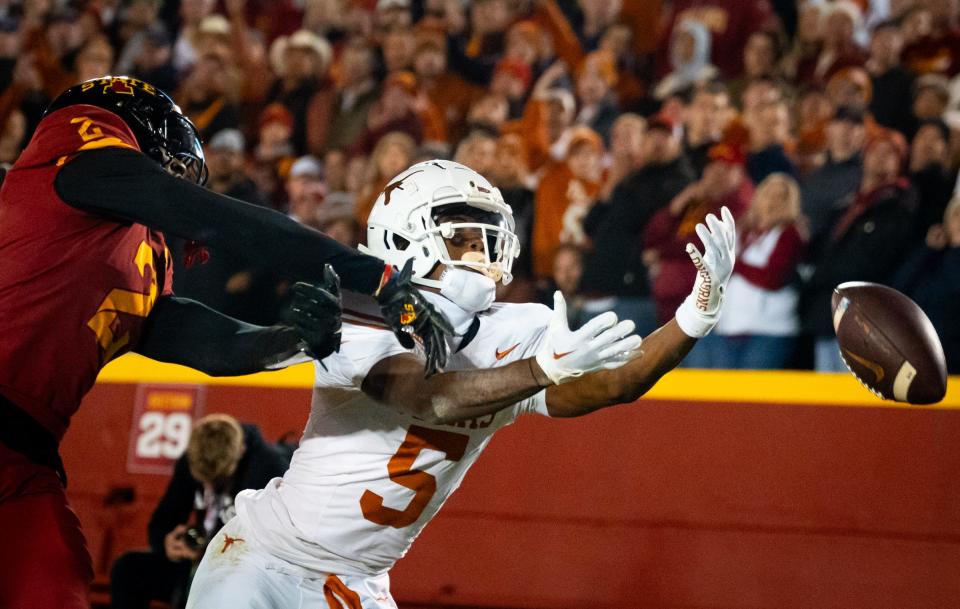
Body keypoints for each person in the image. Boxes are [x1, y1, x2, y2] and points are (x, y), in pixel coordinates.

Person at [184, 159, 738, 608]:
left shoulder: (519, 327)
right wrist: (543, 370)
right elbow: (432, 399)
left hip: (359, 583)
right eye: (466, 237)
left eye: (490, 235)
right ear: (402, 238)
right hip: (265, 560)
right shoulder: (358, 314)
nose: (485, 250)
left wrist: (697, 314)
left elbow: (614, 385)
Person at [0, 76, 450, 609]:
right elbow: (219, 219)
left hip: (24, 455)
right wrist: (375, 276)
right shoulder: (77, 154)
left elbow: (202, 342)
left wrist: (298, 339)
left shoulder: (136, 253)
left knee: (53, 582)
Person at [110, 415, 289, 609]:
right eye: (202, 480)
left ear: (241, 452)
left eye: (217, 480)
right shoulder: (193, 459)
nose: (208, 486)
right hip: (196, 563)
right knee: (128, 569)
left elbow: (275, 546)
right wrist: (168, 543)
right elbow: (162, 522)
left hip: (241, 569)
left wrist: (217, 554)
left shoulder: (268, 466)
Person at [702, 173, 805, 369]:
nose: (772, 201)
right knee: (724, 395)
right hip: (729, 325)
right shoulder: (742, 230)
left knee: (755, 395)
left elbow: (772, 278)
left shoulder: (790, 233)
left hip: (768, 330)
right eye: (768, 194)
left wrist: (735, 266)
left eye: (781, 196)